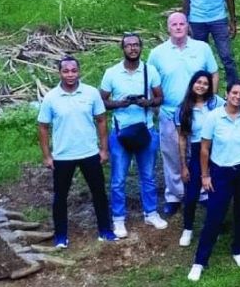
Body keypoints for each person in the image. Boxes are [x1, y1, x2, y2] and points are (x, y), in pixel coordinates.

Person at [188, 81, 240, 282]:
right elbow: (204, 148)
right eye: (234, 93)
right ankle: (200, 261)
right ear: (227, 94)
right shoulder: (213, 118)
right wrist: (205, 175)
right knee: (214, 215)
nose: (237, 97)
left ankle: (239, 250)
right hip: (221, 171)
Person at [37, 56, 114, 248]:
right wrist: (47, 155)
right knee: (60, 197)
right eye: (66, 71)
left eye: (73, 70)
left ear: (79, 71)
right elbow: (43, 127)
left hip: (89, 152)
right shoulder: (51, 98)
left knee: (99, 193)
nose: (70, 75)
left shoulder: (91, 93)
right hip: (63, 155)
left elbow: (102, 120)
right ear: (60, 73)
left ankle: (105, 230)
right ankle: (61, 236)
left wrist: (104, 149)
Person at [147, 12, 218, 216]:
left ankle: (204, 192)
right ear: (168, 28)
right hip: (170, 111)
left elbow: (213, 72)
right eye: (174, 24)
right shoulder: (157, 53)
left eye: (182, 23)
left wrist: (210, 98)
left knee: (200, 152)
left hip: (199, 111)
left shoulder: (202, 48)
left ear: (188, 26)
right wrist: (156, 107)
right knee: (172, 154)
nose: (178, 27)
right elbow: (151, 82)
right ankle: (175, 195)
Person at [100, 33, 167, 239]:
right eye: (128, 45)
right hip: (121, 132)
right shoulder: (112, 73)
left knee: (148, 176)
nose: (132, 49)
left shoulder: (150, 70)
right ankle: (118, 218)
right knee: (118, 178)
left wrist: (147, 102)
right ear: (122, 48)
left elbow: (159, 97)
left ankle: (151, 213)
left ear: (141, 48)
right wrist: (121, 103)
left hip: (145, 130)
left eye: (136, 45)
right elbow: (101, 101)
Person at [176, 70, 222, 249]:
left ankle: (213, 228)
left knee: (215, 192)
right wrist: (183, 165)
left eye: (206, 83)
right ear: (193, 84)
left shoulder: (216, 103)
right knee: (192, 193)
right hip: (196, 151)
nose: (202, 86)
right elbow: (182, 138)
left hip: (217, 151)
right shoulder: (183, 109)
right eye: (199, 82)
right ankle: (187, 228)